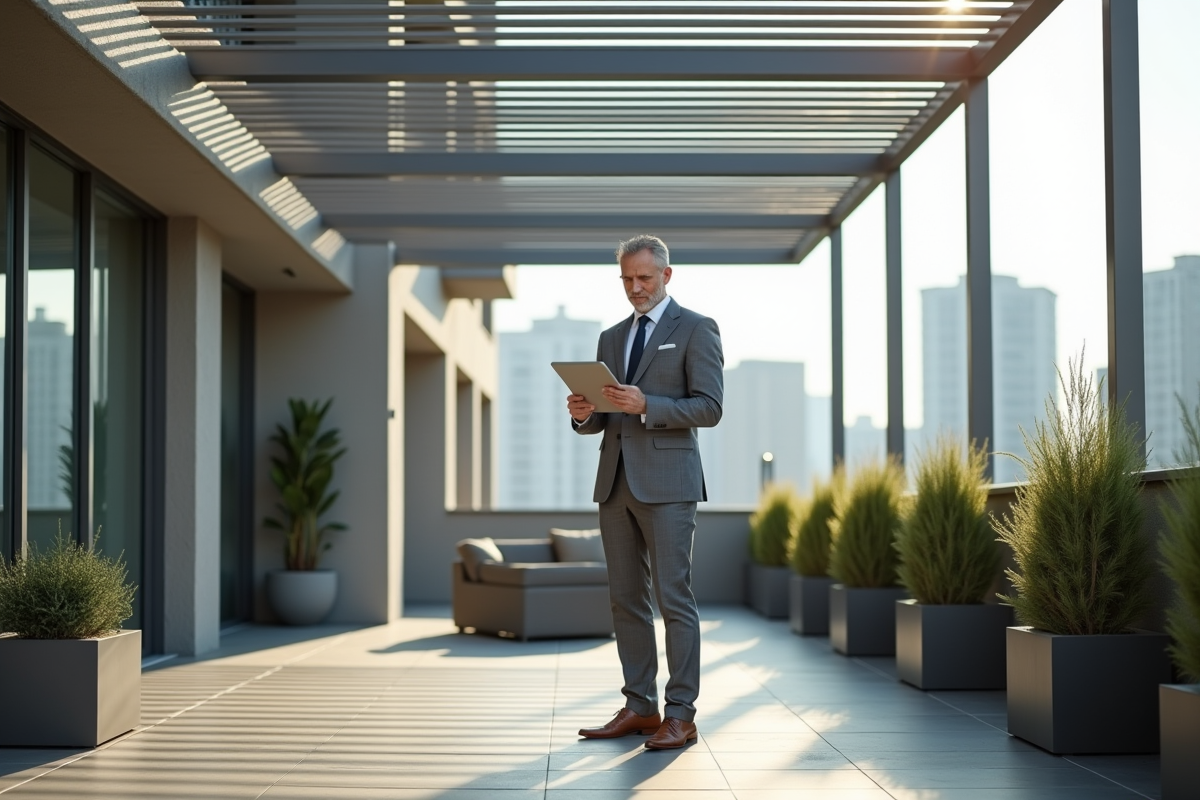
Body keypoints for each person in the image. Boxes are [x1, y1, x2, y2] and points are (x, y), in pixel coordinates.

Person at [567, 234, 724, 750]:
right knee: (625, 600)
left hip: (670, 483)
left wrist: (646, 405)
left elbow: (709, 408)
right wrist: (585, 413)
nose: (635, 288)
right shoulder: (611, 337)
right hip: (615, 481)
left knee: (673, 598)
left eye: (645, 278)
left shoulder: (697, 328)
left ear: (666, 276)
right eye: (627, 279)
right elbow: (603, 416)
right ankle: (639, 706)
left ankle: (681, 713)